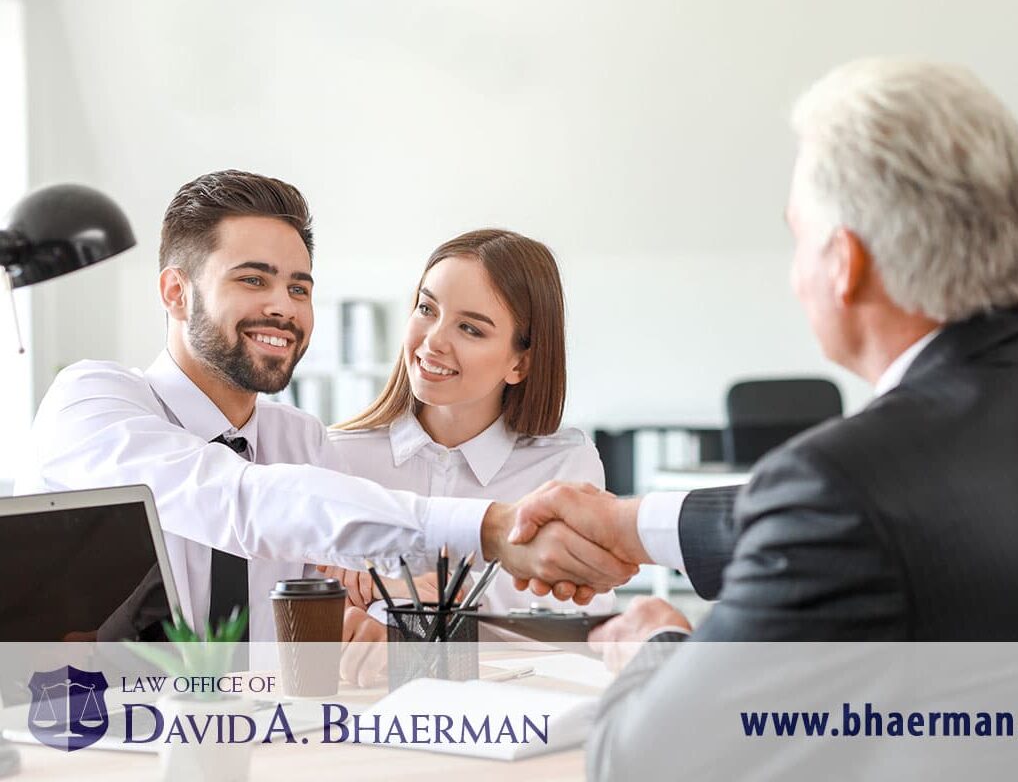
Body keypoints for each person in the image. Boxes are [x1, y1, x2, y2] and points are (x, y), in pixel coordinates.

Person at [503, 59, 1018, 776]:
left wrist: (653, 646)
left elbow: (642, 763)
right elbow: (885, 514)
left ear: (845, 263)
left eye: (798, 237)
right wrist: (630, 523)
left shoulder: (845, 485)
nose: (794, 272)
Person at [15, 169, 636, 643]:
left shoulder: (299, 440)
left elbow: (362, 561)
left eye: (298, 287)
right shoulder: (92, 399)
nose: (283, 307)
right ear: (177, 293)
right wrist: (492, 528)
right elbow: (240, 500)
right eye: (253, 279)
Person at [324, 228, 616, 617]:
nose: (433, 342)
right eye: (427, 310)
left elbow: (575, 617)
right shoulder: (339, 454)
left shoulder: (563, 468)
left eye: (470, 328)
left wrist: (396, 596)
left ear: (520, 363)